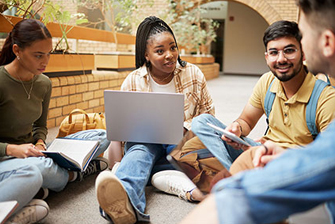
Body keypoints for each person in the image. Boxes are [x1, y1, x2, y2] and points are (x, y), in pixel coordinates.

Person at [180, 0, 335, 223]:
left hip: (291, 162)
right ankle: (233, 171)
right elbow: (246, 120)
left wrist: (279, 154)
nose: (281, 59)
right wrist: (237, 128)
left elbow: (321, 159)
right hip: (264, 149)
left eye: (290, 50)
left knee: (195, 161)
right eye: (274, 53)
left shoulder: (325, 97)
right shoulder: (267, 82)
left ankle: (228, 176)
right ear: (266, 57)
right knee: (202, 122)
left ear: (305, 51)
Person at [95, 16, 215, 224]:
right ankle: (125, 204)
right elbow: (119, 142)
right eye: (160, 51)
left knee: (151, 163)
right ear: (146, 55)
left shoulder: (193, 74)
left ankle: (147, 175)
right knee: (139, 152)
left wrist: (185, 129)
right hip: (145, 144)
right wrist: (117, 141)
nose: (170, 55)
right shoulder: (133, 80)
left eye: (173, 48)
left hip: (182, 143)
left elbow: (208, 117)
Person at [0, 19, 109, 224]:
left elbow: (40, 126)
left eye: (49, 54)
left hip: (34, 151)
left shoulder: (43, 83)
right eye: (38, 55)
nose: (45, 61)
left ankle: (39, 188)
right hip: (7, 158)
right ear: (17, 50)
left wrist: (41, 142)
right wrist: (13, 149)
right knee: (34, 172)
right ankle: (74, 175)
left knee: (101, 135)